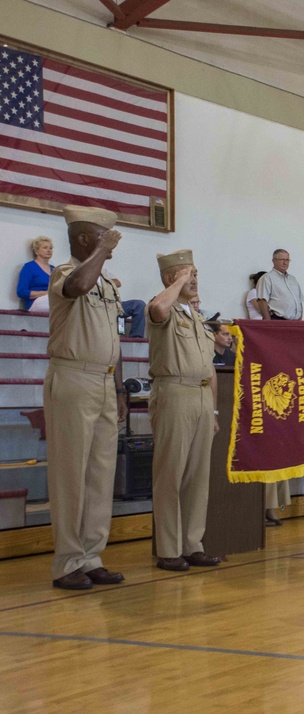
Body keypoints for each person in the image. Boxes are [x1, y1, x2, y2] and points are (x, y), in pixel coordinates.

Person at [44, 206, 127, 590]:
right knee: (71, 475)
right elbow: (77, 286)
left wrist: (121, 388)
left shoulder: (107, 284)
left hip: (104, 382)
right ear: (82, 239)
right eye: (103, 236)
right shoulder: (67, 272)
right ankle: (67, 562)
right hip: (73, 379)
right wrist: (99, 253)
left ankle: (91, 555)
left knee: (99, 475)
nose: (111, 243)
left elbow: (114, 340)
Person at [146, 250, 222, 572]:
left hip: (202, 398)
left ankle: (193, 544)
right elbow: (159, 308)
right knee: (170, 475)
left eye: (195, 274)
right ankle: (168, 548)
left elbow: (211, 369)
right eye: (186, 273)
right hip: (174, 393)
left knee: (197, 477)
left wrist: (215, 412)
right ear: (170, 278)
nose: (193, 279)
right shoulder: (164, 309)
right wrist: (178, 282)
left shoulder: (199, 320)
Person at [256, 249, 304, 320]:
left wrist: (300, 320)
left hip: (295, 322)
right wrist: (268, 322)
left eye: (287, 260)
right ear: (273, 261)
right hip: (277, 320)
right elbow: (262, 301)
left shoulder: (293, 279)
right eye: (281, 260)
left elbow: (299, 301)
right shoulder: (267, 278)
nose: (285, 263)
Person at [101, 268, 147, 338]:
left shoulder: (101, 270)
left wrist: (101, 281)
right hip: (100, 307)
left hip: (114, 304)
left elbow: (118, 283)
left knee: (139, 305)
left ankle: (136, 338)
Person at [17, 236, 54, 313]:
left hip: (51, 300)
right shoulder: (29, 267)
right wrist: (44, 293)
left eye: (50, 248)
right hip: (35, 302)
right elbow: (21, 292)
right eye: (45, 248)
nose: (49, 250)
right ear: (36, 251)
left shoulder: (54, 269)